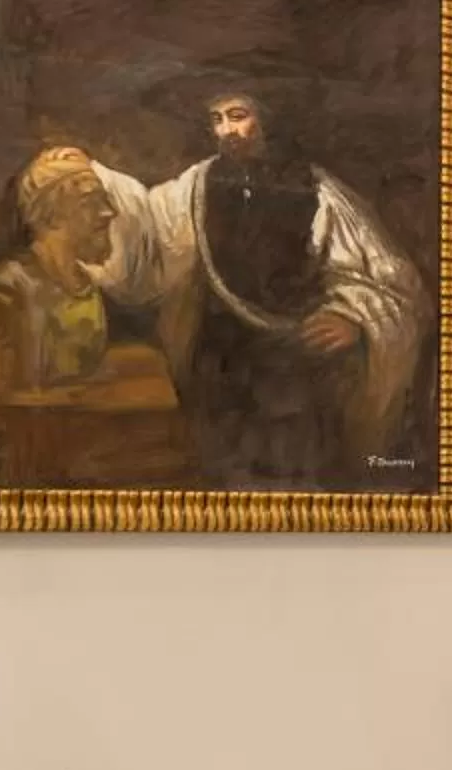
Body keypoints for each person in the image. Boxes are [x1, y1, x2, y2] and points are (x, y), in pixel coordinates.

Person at [88, 90, 426, 486]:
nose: (226, 130)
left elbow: (384, 275)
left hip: (295, 362)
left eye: (237, 116)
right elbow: (147, 223)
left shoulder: (316, 189)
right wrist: (93, 173)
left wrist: (352, 317)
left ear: (264, 120)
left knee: (294, 474)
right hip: (220, 361)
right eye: (217, 120)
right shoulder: (198, 184)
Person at [0, 146, 119, 414]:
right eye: (91, 203)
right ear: (52, 214)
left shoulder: (85, 283)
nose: (109, 212)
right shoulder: (9, 288)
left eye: (104, 201)